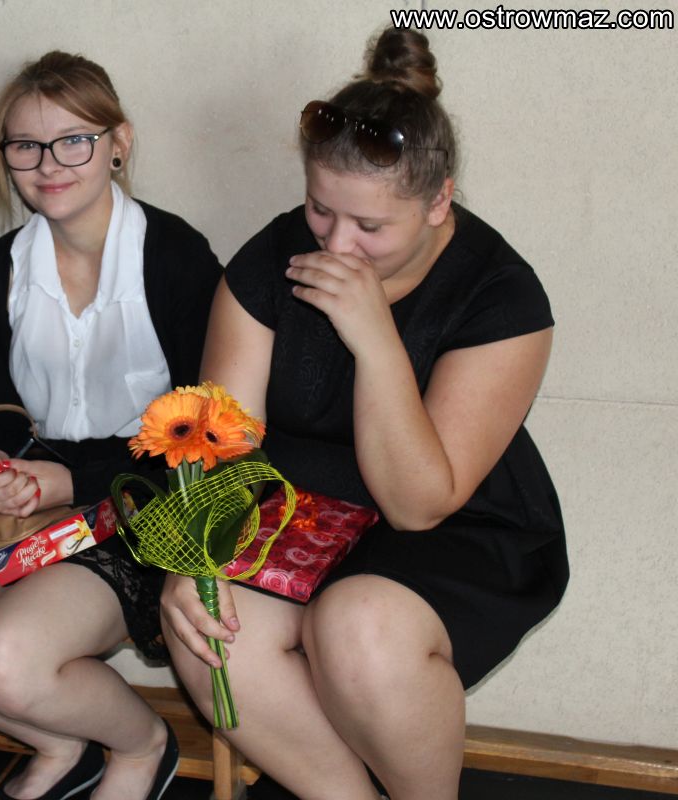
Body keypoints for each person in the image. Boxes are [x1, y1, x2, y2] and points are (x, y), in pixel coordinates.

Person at [161, 28, 568, 800]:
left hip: (456, 523)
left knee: (358, 630)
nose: (338, 244)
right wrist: (197, 557)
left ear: (439, 201)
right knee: (208, 631)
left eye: (370, 228)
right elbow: (219, 440)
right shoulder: (272, 258)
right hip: (302, 505)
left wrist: (377, 340)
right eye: (321, 210)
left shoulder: (502, 295)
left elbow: (419, 504)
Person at [0, 51, 220, 800]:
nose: (48, 165)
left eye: (73, 141)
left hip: (141, 501)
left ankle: (141, 744)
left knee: (4, 656)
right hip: (33, 493)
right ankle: (64, 740)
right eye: (25, 146)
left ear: (118, 143)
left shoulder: (176, 260)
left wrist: (74, 480)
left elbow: (210, 433)